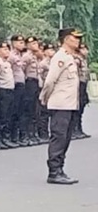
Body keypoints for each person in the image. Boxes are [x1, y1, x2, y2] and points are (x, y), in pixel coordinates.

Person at [39, 28, 82, 186]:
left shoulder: (71, 57)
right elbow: (50, 81)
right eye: (74, 38)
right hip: (60, 104)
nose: (77, 40)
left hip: (69, 104)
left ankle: (60, 169)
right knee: (59, 137)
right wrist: (44, 98)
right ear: (65, 39)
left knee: (66, 138)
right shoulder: (60, 57)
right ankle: (54, 171)